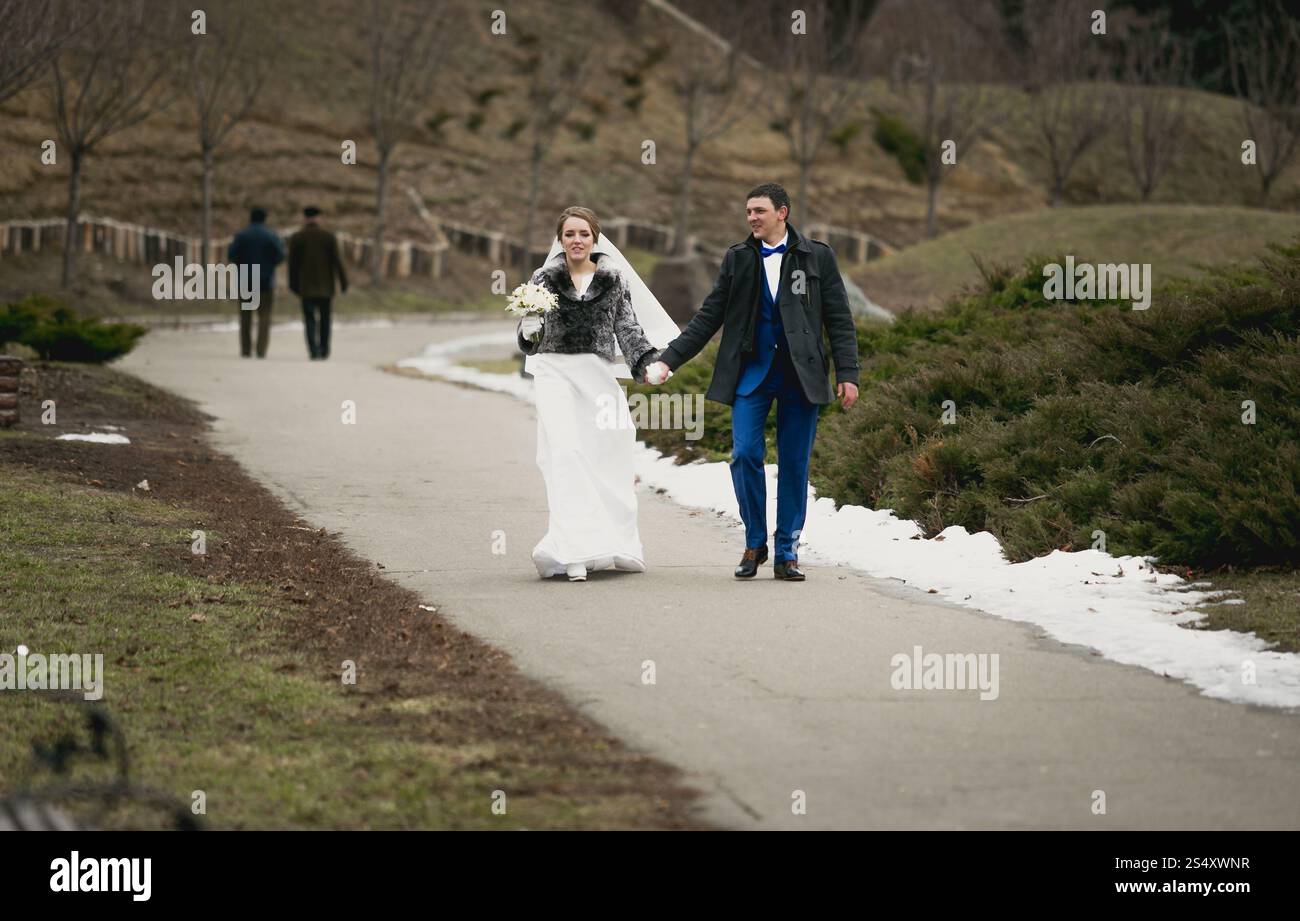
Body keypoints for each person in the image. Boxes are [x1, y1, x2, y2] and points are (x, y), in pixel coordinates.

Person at [643, 182, 861, 581]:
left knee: (795, 464)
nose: (751, 218)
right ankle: (754, 542)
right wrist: (669, 359)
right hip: (752, 374)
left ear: (783, 212)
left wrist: (848, 373)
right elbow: (709, 316)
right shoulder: (738, 259)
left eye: (759, 211)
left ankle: (787, 551)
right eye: (748, 212)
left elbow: (839, 320)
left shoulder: (818, 257)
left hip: (802, 375)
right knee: (744, 454)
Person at [516, 206, 679, 582]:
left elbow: (629, 330)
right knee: (566, 453)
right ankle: (572, 550)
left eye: (583, 234)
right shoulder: (543, 279)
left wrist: (647, 365)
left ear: (595, 239)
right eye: (570, 234)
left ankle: (611, 543)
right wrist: (527, 329)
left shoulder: (614, 281)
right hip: (554, 373)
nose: (576, 240)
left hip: (597, 375)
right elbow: (528, 339)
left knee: (609, 453)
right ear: (560, 239)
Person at [288, 206, 348, 360]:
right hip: (325, 288)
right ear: (319, 218)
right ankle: (324, 349)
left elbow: (292, 265)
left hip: (306, 287)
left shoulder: (297, 237)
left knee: (309, 320)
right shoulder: (328, 237)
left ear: (304, 218)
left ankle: (313, 351)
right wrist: (343, 282)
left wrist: (293, 285)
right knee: (325, 320)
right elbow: (337, 262)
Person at [226, 207, 284, 358]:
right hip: (265, 281)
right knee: (264, 316)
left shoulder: (242, 235)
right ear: (264, 219)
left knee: (246, 316)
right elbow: (280, 256)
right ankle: (261, 349)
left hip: (245, 279)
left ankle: (246, 349)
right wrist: (270, 265)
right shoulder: (271, 236)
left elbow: (232, 255)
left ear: (250, 218)